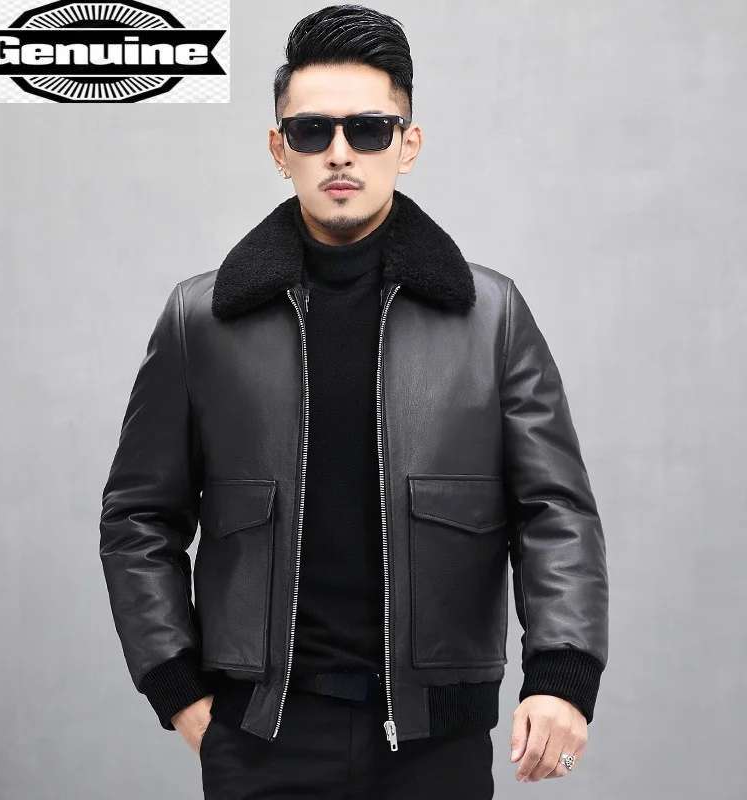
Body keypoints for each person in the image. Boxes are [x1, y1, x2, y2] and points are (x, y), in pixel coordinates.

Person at [99, 4, 609, 798]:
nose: (339, 152)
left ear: (408, 144)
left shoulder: (492, 316)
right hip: (260, 739)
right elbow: (137, 519)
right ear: (280, 150)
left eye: (369, 129)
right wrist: (178, 689)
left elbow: (556, 512)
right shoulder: (201, 319)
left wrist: (563, 675)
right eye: (311, 131)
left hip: (434, 741)